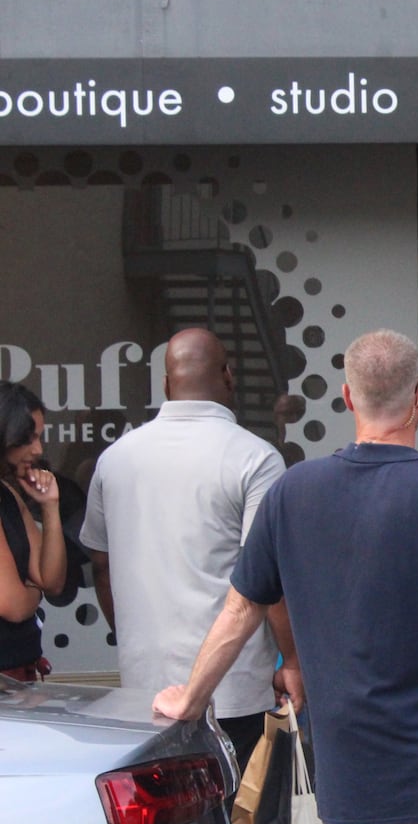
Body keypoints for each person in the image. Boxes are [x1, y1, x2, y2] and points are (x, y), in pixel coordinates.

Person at [154, 329, 418, 824]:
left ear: (348, 397)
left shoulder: (292, 492)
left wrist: (191, 698)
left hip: (351, 760)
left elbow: (240, 612)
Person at [81, 329, 296, 779]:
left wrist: (135, 640)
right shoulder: (255, 458)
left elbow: (100, 566)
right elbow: (266, 582)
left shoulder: (115, 459)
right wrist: (292, 659)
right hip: (232, 688)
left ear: (165, 384)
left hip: (143, 687)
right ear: (229, 376)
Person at [0, 381, 67, 681]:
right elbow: (13, 605)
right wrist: (32, 590)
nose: (38, 450)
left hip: (18, 673)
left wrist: (50, 507)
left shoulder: (7, 493)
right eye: (28, 438)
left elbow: (51, 581)